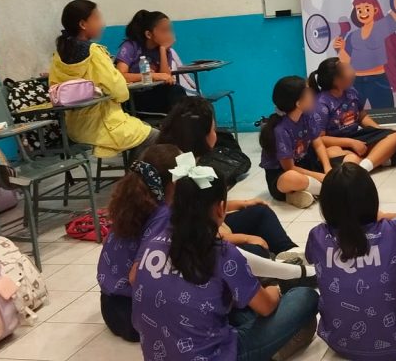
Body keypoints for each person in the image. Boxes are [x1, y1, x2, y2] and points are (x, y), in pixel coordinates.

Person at [131, 162, 318, 361]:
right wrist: (275, 290)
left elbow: (136, 280)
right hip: (217, 355)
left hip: (157, 354)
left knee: (234, 303)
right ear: (221, 208)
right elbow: (267, 307)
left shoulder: (153, 242)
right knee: (304, 297)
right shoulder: (222, 252)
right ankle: (275, 345)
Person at [306, 164, 396, 361]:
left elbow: (311, 258)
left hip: (338, 343)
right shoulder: (393, 229)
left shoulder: (317, 235)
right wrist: (383, 216)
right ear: (371, 199)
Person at [158, 97, 297, 259]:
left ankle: (292, 254)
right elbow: (191, 236)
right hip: (189, 250)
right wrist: (243, 238)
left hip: (207, 232)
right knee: (256, 251)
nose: (216, 134)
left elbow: (200, 207)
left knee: (260, 213)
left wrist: (243, 203)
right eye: (214, 129)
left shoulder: (187, 160)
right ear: (202, 135)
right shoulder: (177, 171)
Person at [49, 0, 157, 158]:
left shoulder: (58, 56)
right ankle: (137, 172)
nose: (102, 24)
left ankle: (135, 170)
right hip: (103, 125)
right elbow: (119, 90)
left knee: (143, 129)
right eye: (97, 18)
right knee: (157, 137)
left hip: (74, 128)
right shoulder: (94, 52)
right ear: (83, 24)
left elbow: (53, 86)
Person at [99, 144, 179, 342]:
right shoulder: (163, 215)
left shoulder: (132, 203)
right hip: (135, 315)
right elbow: (137, 276)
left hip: (109, 307)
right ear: (174, 183)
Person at [259, 76, 357, 209]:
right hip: (283, 175)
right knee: (292, 178)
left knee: (349, 158)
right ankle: (332, 189)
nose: (312, 94)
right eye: (308, 92)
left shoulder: (307, 116)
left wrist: (327, 168)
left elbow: (318, 144)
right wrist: (322, 177)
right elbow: (290, 168)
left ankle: (307, 192)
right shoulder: (281, 130)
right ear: (298, 103)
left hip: (307, 165)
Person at [309, 57, 396, 172]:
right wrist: (351, 143)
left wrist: (379, 130)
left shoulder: (352, 92)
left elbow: (362, 116)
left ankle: (364, 166)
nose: (353, 71)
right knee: (346, 158)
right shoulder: (321, 103)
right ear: (337, 80)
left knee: (395, 136)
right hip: (336, 144)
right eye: (347, 69)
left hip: (356, 136)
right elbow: (320, 139)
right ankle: (371, 161)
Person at [114, 10, 190, 115]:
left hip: (154, 93)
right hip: (134, 98)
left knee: (178, 92)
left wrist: (163, 50)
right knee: (175, 95)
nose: (169, 35)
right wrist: (153, 76)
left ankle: (180, 122)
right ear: (149, 34)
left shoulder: (164, 50)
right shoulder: (131, 46)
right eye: (164, 30)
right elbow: (120, 76)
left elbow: (166, 78)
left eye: (169, 30)